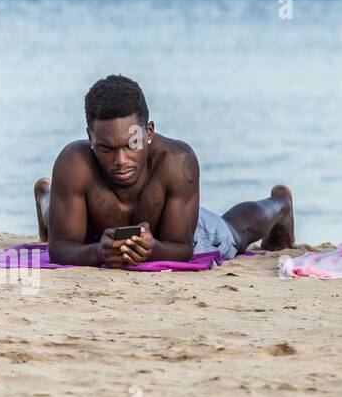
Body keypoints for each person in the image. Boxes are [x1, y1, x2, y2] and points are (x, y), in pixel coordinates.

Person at [36, 74, 294, 267]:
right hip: (94, 226)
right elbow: (59, 248)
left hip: (177, 222)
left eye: (132, 144)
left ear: (148, 132)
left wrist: (154, 249)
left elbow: (182, 249)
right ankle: (48, 194)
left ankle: (280, 204)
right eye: (105, 149)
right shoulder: (74, 163)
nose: (121, 160)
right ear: (90, 138)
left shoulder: (177, 163)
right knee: (65, 212)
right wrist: (97, 253)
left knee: (234, 234)